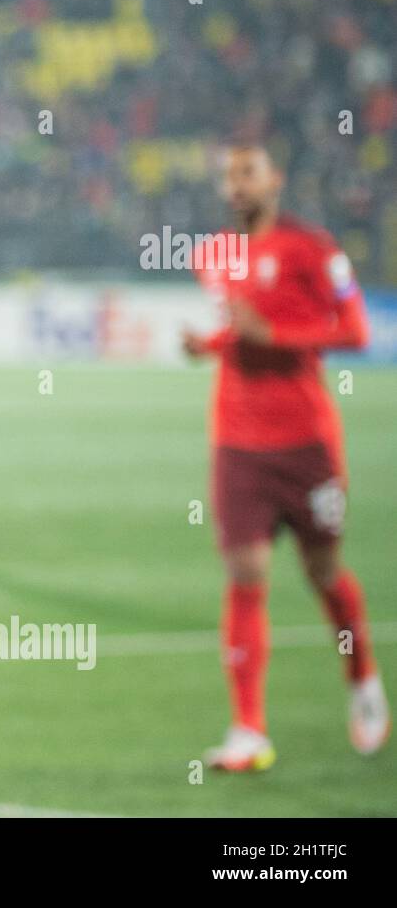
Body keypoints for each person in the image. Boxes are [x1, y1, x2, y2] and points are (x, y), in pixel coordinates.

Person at [183, 143, 388, 771]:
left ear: (276, 179)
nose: (237, 185)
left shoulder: (315, 250)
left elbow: (356, 332)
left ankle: (363, 679)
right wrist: (210, 343)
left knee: (324, 571)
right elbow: (236, 330)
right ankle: (249, 729)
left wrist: (274, 336)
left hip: (306, 444)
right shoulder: (213, 254)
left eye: (248, 173)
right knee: (245, 577)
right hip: (237, 444)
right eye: (228, 176)